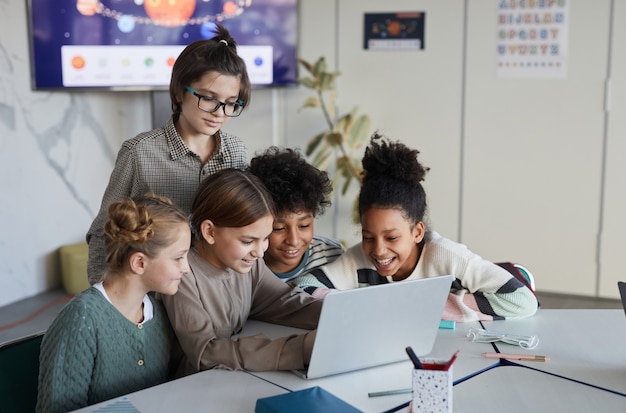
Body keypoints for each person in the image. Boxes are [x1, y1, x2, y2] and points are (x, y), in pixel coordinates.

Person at [310, 133, 538, 322]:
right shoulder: (359, 258)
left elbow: (521, 301)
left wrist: (423, 305)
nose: (378, 250)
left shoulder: (447, 257)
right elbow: (305, 287)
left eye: (391, 238)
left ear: (417, 232)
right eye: (368, 237)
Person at [86, 24, 251, 285]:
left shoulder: (236, 152)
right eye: (208, 98)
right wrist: (104, 297)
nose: (220, 112)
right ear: (178, 92)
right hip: (156, 289)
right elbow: (102, 232)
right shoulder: (139, 153)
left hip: (217, 286)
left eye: (231, 103)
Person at [37, 195, 191, 413]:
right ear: (139, 263)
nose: (186, 268)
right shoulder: (81, 320)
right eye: (179, 257)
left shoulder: (158, 313)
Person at [161, 168, 322, 376]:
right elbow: (206, 352)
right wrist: (297, 350)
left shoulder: (248, 264)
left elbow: (286, 301)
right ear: (209, 232)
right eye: (248, 241)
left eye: (265, 238)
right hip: (192, 388)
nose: (259, 251)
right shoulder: (182, 275)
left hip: (235, 378)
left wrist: (339, 314)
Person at [247, 146, 344, 297]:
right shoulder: (245, 264)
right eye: (279, 228)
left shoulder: (332, 255)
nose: (293, 240)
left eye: (304, 225)